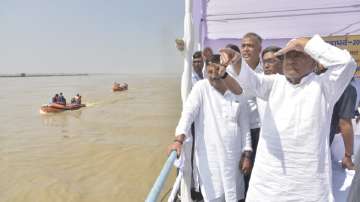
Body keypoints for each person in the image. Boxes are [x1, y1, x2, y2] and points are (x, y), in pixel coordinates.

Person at [220, 34, 356, 201]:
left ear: (314, 62)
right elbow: (251, 81)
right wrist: (237, 61)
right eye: (288, 56)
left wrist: (304, 43)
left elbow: (347, 64)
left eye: (298, 54)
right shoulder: (274, 83)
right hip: (267, 185)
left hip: (308, 188)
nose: (291, 59)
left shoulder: (324, 87)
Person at [168, 55, 252, 202]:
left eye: (217, 71)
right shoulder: (201, 88)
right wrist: (178, 139)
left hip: (234, 157)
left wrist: (247, 154)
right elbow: (188, 113)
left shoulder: (237, 90)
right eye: (209, 71)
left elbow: (245, 126)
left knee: (234, 194)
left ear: (225, 70)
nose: (213, 75)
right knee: (213, 194)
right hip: (210, 157)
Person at [315, 64, 357, 170]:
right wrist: (348, 156)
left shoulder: (308, 83)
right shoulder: (346, 89)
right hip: (319, 148)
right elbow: (345, 123)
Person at [240, 32, 263, 195]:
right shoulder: (233, 71)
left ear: (259, 49)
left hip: (258, 129)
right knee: (238, 169)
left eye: (250, 45)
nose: (246, 49)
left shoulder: (266, 73)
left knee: (257, 170)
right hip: (237, 129)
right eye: (243, 45)